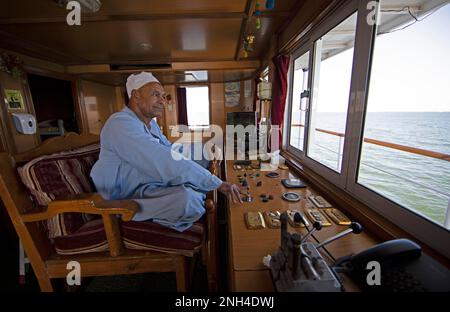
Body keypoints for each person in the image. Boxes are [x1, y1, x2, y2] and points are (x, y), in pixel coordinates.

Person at [90, 72, 242, 232]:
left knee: (201, 162)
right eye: (156, 95)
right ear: (136, 96)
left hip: (147, 185)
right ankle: (197, 192)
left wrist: (206, 149)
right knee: (187, 200)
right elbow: (163, 159)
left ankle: (199, 188)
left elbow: (172, 150)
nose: (162, 101)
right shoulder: (120, 124)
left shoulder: (150, 124)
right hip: (124, 198)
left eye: (163, 96)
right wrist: (216, 182)